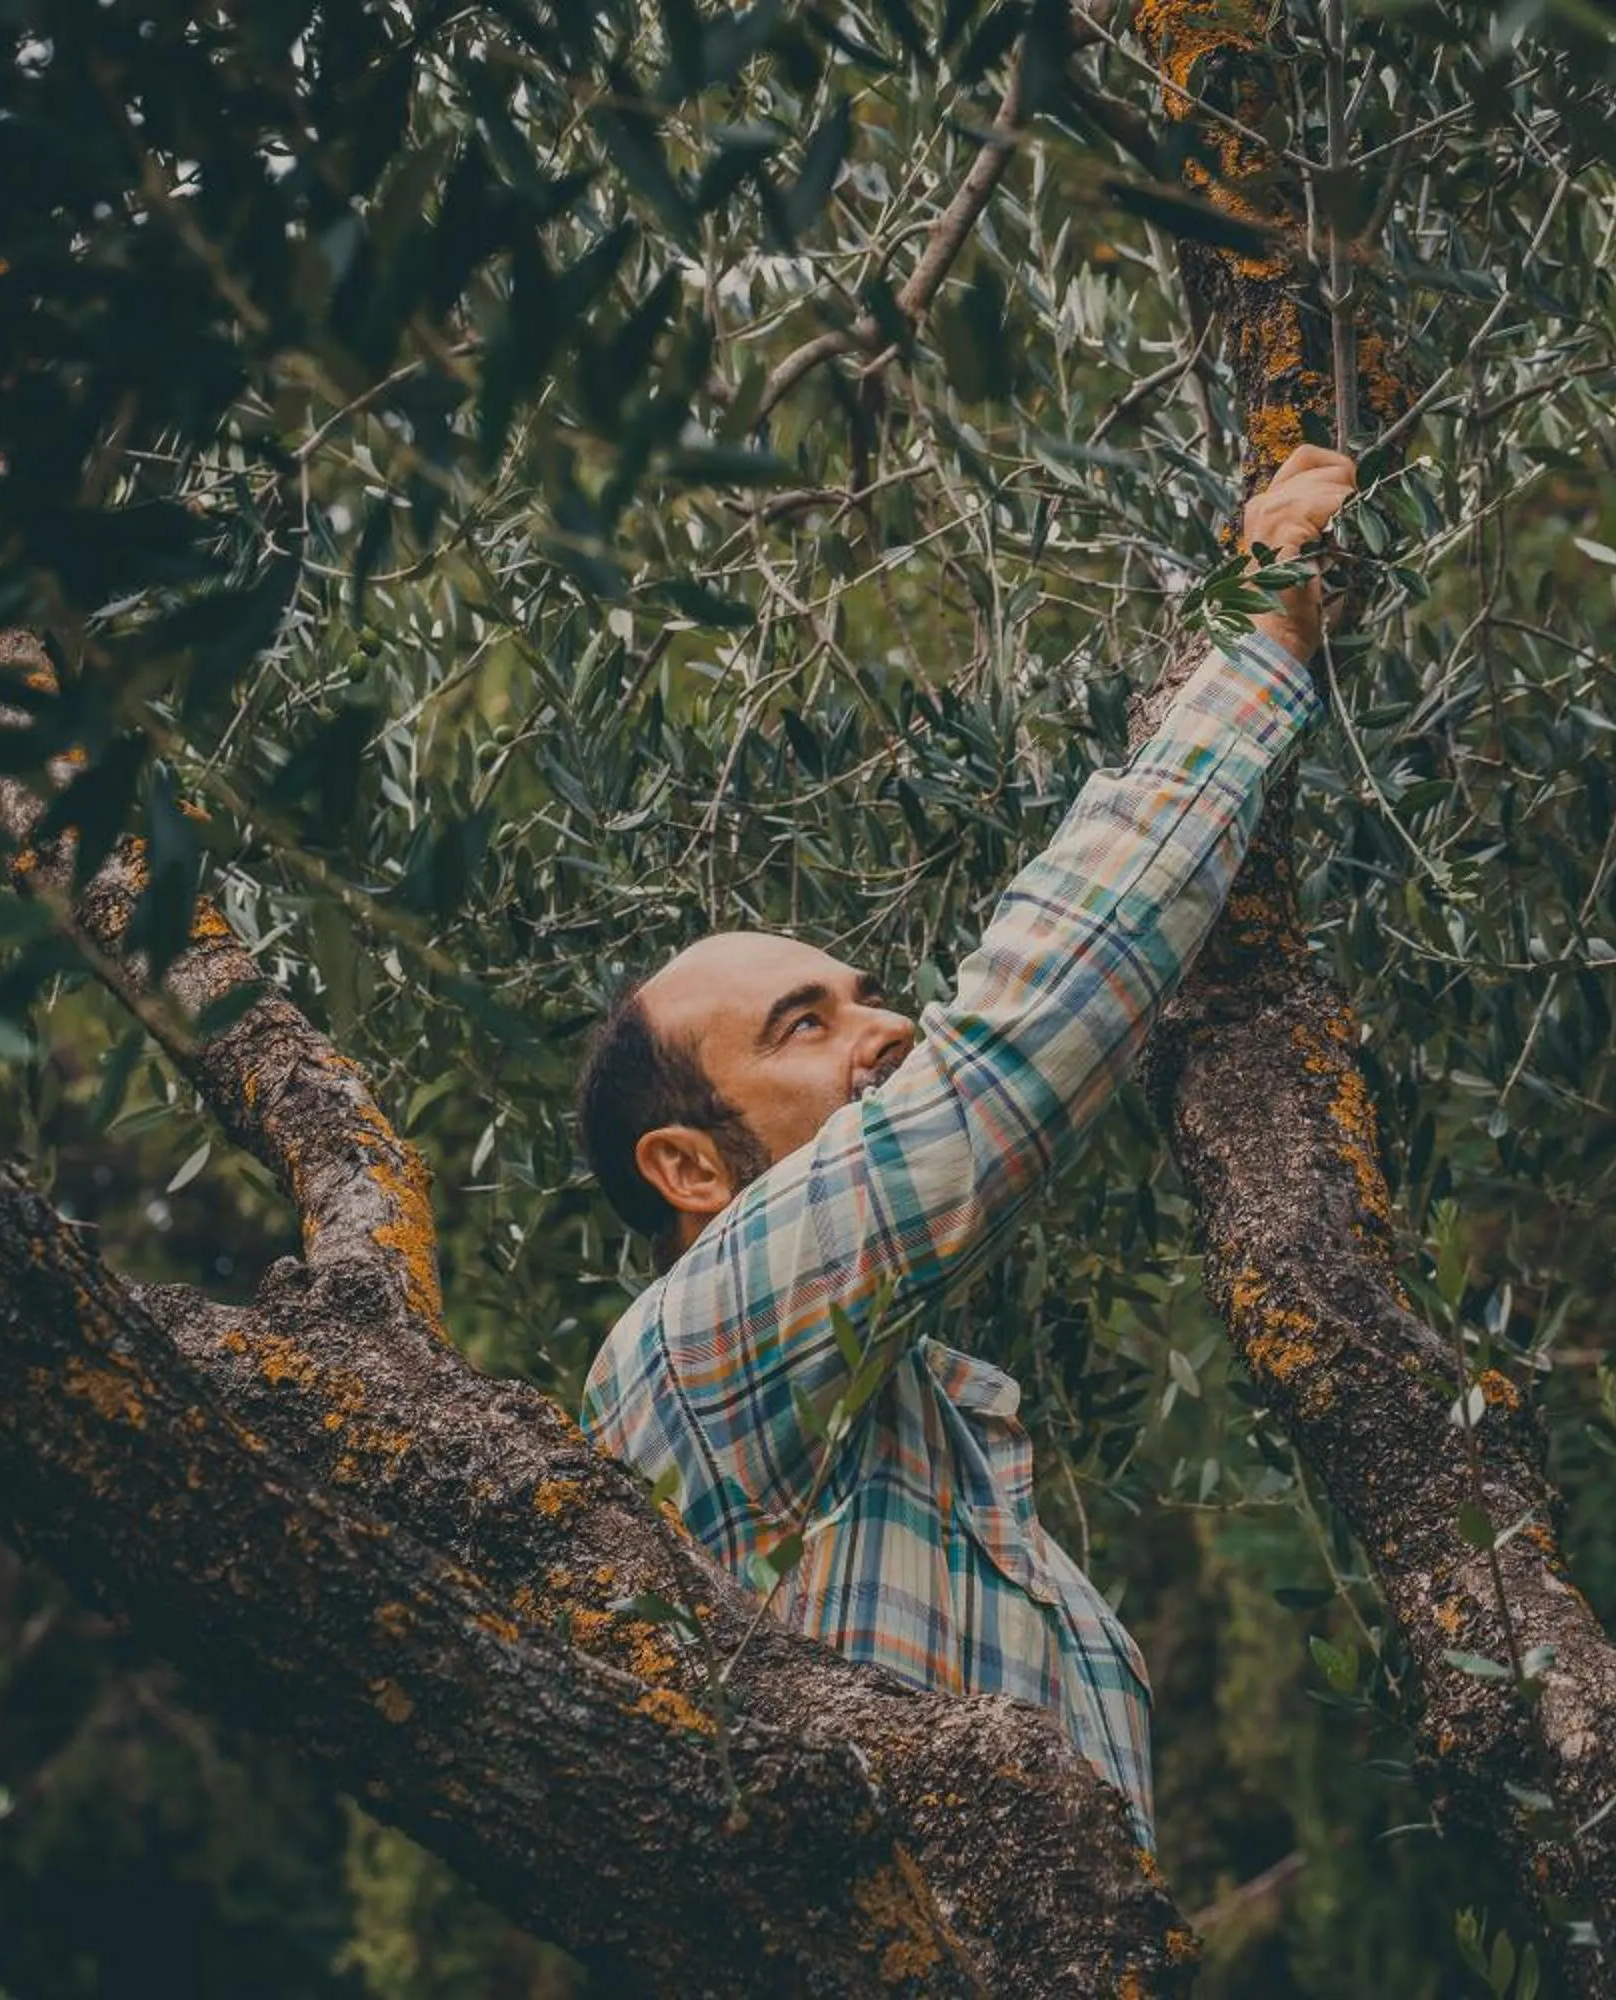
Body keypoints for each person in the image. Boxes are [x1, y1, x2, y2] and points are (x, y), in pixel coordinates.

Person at [575, 445, 1360, 1847]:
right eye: (803, 1026)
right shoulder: (691, 1350)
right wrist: (1254, 633)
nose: (886, 1028)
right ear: (689, 1171)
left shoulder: (956, 1491)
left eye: (868, 993)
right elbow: (1010, 1051)